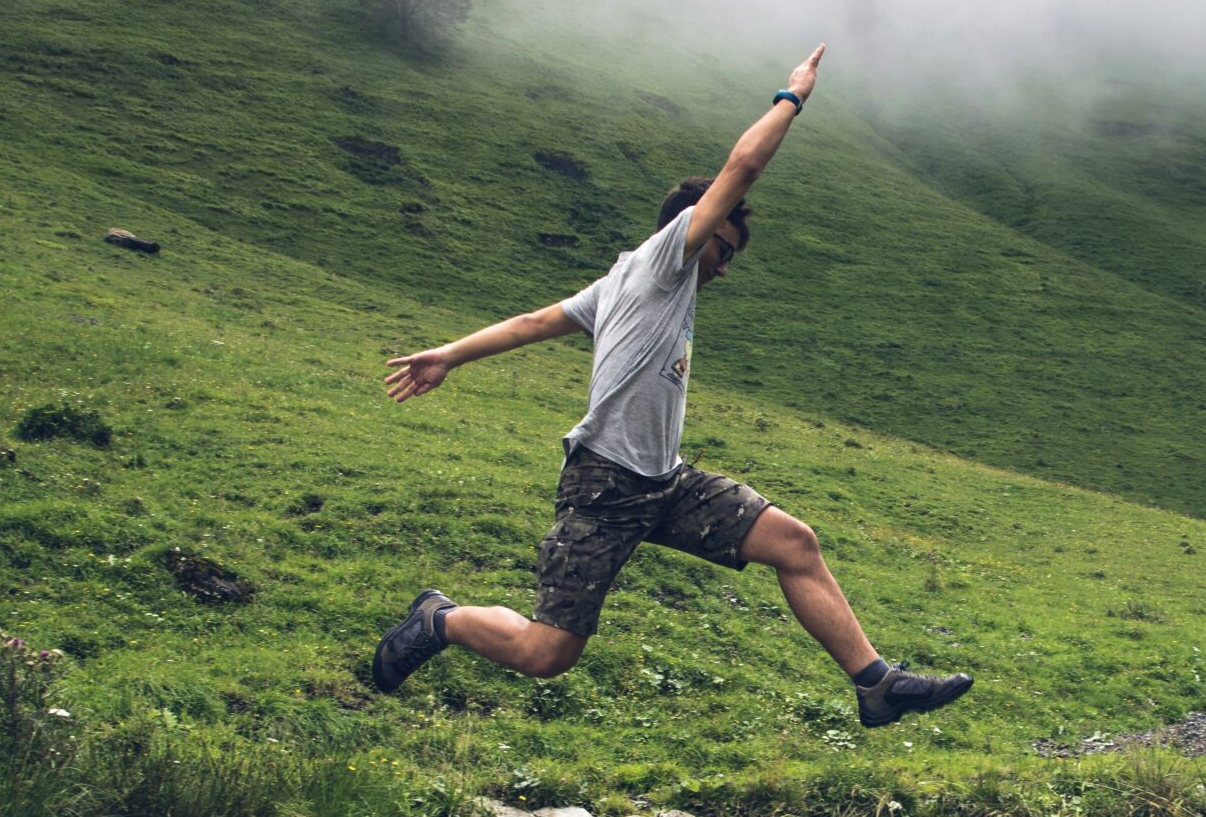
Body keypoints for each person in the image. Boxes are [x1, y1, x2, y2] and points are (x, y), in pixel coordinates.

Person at [372, 44, 972, 730]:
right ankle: (439, 619)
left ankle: (876, 685)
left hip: (664, 483)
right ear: (694, 227)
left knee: (794, 543)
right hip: (603, 487)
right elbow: (743, 167)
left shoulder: (624, 281)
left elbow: (535, 320)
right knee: (547, 652)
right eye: (724, 247)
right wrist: (792, 96)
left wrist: (450, 353)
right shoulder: (663, 260)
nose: (724, 267)